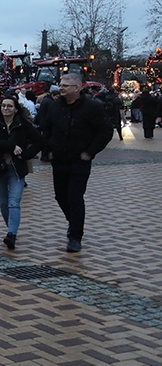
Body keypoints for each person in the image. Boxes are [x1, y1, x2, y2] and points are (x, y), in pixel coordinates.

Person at [41, 73, 113, 252]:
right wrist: (49, 150)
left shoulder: (92, 107)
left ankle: (75, 236)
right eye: (61, 84)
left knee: (75, 197)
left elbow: (105, 132)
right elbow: (47, 129)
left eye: (66, 85)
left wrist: (89, 152)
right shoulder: (55, 107)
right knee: (60, 196)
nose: (61, 88)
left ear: (77, 88)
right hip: (59, 159)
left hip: (79, 160)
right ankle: (73, 222)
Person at [0, 94, 43, 250]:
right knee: (4, 203)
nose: (6, 109)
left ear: (16, 109)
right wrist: (11, 146)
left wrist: (26, 155)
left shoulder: (23, 125)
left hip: (16, 169)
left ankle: (11, 234)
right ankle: (11, 228)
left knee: (14, 202)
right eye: (3, 106)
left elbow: (39, 141)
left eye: (9, 106)